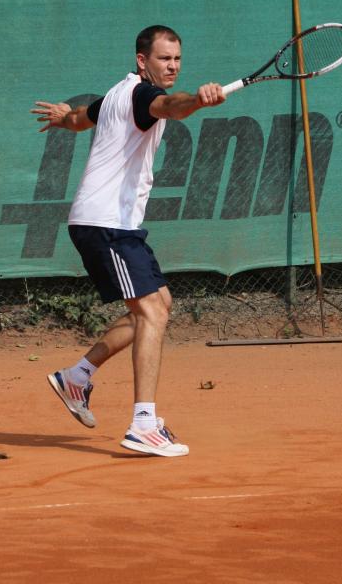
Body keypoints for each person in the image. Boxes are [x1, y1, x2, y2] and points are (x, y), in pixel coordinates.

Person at [32, 25, 225, 457]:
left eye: (177, 59)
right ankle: (143, 424)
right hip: (107, 224)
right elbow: (169, 107)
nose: (172, 66)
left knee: (158, 305)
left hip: (111, 224)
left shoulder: (114, 95)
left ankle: (77, 377)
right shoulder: (141, 96)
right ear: (142, 60)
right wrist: (197, 100)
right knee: (151, 311)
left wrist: (63, 117)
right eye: (164, 59)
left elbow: (80, 119)